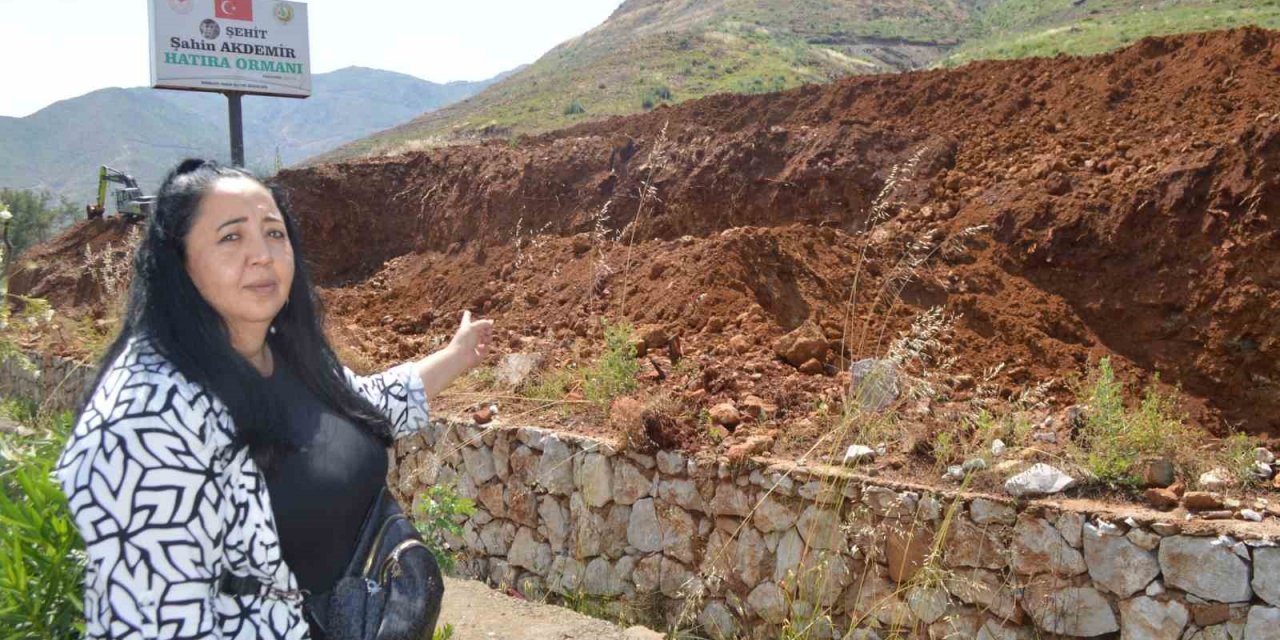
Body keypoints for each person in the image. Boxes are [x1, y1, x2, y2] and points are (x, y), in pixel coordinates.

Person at [55, 158, 492, 639]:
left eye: (274, 233)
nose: (262, 254)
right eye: (231, 236)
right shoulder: (143, 420)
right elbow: (154, 622)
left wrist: (458, 355)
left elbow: (360, 405)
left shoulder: (280, 353)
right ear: (178, 262)